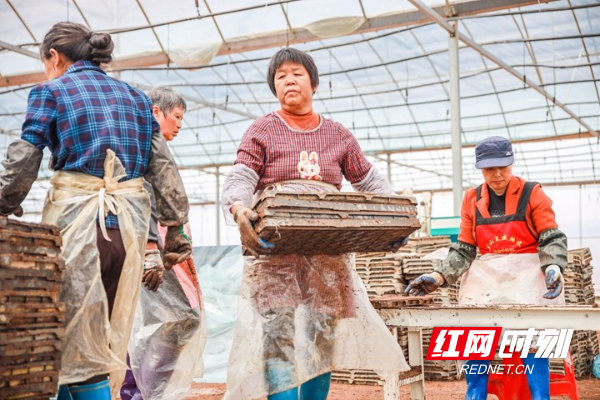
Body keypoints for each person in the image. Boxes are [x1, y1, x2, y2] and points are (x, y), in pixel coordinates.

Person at [0, 22, 191, 400]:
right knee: (97, 334)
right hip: (128, 235)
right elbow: (163, 168)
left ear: (54, 56)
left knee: (75, 340)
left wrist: (3, 203)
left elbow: (24, 160)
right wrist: (176, 229)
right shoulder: (136, 99)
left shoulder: (50, 92)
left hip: (80, 230)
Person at [221, 47, 409, 400]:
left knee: (323, 336)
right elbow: (241, 176)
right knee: (278, 333)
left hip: (328, 253)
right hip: (275, 252)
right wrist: (237, 208)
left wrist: (395, 220)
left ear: (314, 83)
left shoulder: (338, 135)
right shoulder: (261, 129)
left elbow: (370, 182)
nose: (288, 80)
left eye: (297, 73)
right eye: (280, 76)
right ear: (273, 87)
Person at [406, 136, 567, 400]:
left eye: (503, 166)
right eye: (490, 168)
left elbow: (551, 236)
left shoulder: (532, 193)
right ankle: (475, 393)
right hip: (490, 277)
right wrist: (439, 275)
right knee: (470, 333)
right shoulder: (472, 199)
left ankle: (540, 396)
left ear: (511, 163)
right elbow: (465, 249)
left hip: (529, 277)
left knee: (534, 340)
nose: (497, 174)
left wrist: (553, 266)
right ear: (481, 168)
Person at [120, 87, 206, 400]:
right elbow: (147, 196)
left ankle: (138, 391)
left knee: (146, 322)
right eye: (177, 117)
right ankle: (147, 391)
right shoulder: (146, 144)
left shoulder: (139, 142)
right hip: (153, 246)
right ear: (157, 112)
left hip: (151, 244)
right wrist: (155, 248)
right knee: (182, 319)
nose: (180, 124)